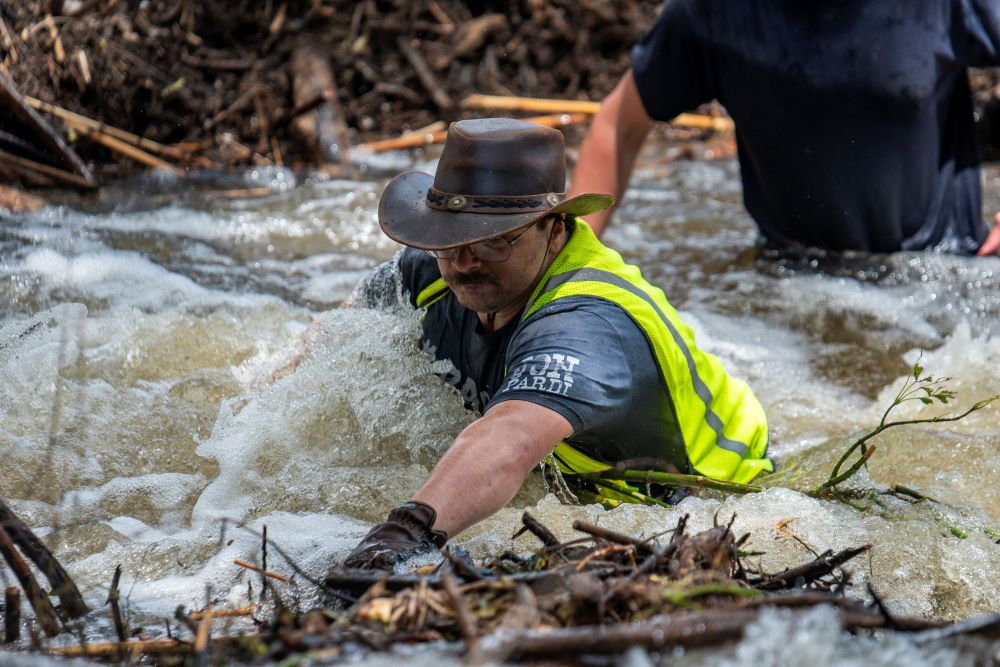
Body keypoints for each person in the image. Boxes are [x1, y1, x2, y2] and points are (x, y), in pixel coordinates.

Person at [339, 118, 772, 571]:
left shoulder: (589, 322)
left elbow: (511, 438)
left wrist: (401, 536)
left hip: (710, 500)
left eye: (492, 242)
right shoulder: (429, 266)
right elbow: (336, 335)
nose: (463, 263)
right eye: (448, 238)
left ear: (554, 228)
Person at [569, 0, 1000, 256]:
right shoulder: (715, 12)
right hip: (789, 278)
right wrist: (567, 267)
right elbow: (617, 126)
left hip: (942, 273)